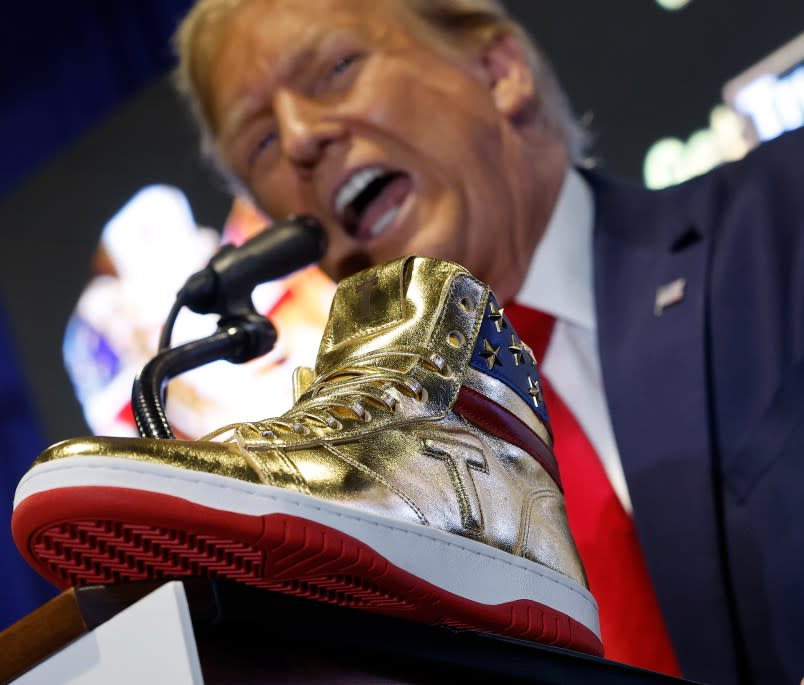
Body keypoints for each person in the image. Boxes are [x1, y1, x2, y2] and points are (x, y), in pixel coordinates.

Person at [167, 1, 804, 682]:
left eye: (336, 69)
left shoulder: (783, 220)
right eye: (261, 144)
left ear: (499, 70)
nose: (298, 139)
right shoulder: (362, 530)